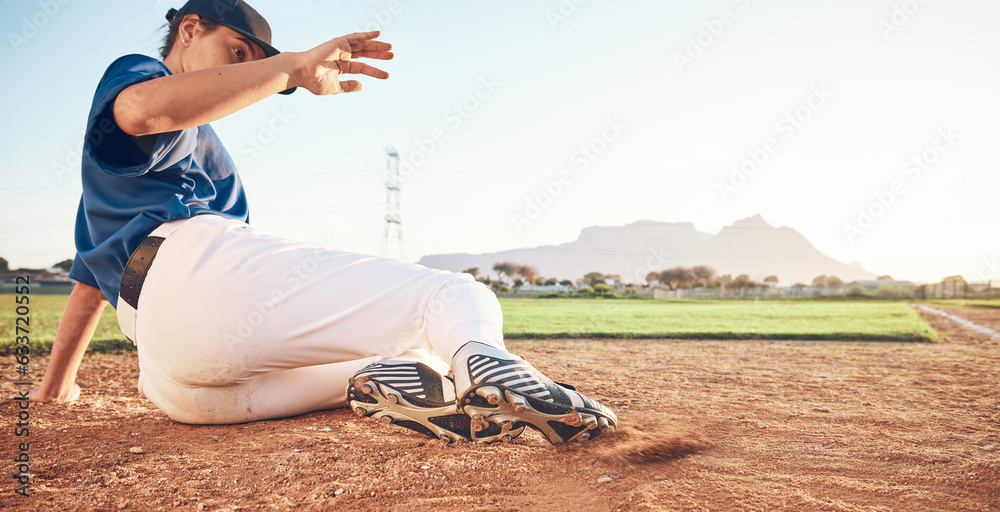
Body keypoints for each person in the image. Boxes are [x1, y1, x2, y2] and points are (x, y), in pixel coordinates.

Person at [29, 0, 616, 445]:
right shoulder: (140, 77)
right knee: (454, 295)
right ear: (189, 28)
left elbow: (88, 283)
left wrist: (56, 389)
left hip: (172, 379)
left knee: (419, 363)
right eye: (236, 51)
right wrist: (287, 69)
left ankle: (417, 382)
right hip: (196, 277)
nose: (243, 69)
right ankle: (491, 362)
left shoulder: (111, 186)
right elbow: (140, 109)